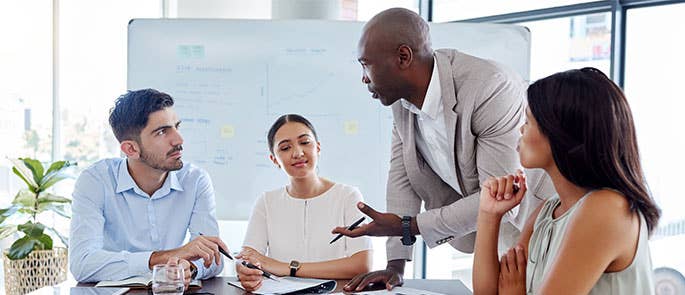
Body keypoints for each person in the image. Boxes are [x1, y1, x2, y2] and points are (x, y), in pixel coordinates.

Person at [332, 8, 554, 291]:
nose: (364, 78)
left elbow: (501, 193)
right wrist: (394, 266)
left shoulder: (489, 87)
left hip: (541, 220)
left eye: (366, 65)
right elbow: (401, 180)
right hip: (491, 233)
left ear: (403, 57)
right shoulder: (403, 104)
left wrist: (409, 226)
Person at [472, 68, 660, 294]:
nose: (520, 129)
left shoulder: (607, 208)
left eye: (528, 121)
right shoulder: (547, 211)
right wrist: (488, 215)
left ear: (561, 135)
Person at [69, 89, 228, 289]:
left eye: (176, 126)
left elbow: (213, 257)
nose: (179, 140)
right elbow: (82, 263)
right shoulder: (95, 181)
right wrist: (162, 259)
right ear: (131, 149)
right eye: (162, 132)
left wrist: (189, 267)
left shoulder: (195, 180)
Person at [236, 114, 372, 291]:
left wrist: (286, 267)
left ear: (318, 147)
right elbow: (248, 257)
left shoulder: (348, 196)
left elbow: (362, 264)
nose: (298, 153)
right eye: (285, 148)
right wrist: (244, 269)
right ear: (274, 159)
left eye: (305, 142)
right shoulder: (266, 202)